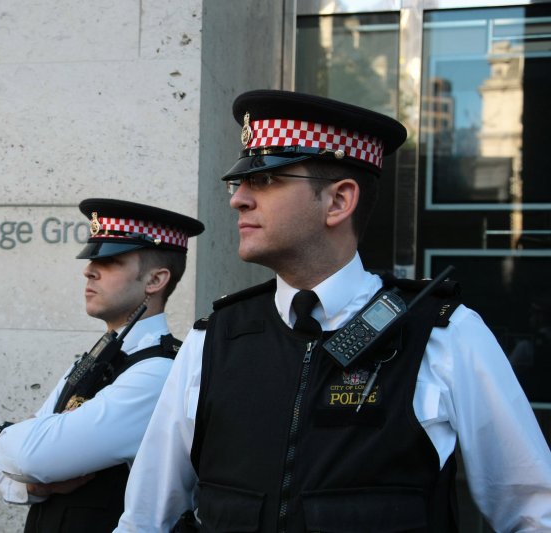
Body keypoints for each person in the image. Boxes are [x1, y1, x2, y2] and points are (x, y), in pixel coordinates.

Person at [116, 90, 551, 532]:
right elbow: (146, 520)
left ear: (339, 201)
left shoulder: (443, 333)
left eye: (265, 180)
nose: (238, 199)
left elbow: (535, 514)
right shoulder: (213, 340)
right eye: (239, 183)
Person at [0, 198, 203, 533]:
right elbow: (10, 476)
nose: (89, 270)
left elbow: (30, 457)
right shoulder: (92, 361)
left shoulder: (159, 372)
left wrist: (4, 437)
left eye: (111, 261)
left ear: (155, 280)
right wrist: (35, 485)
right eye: (92, 259)